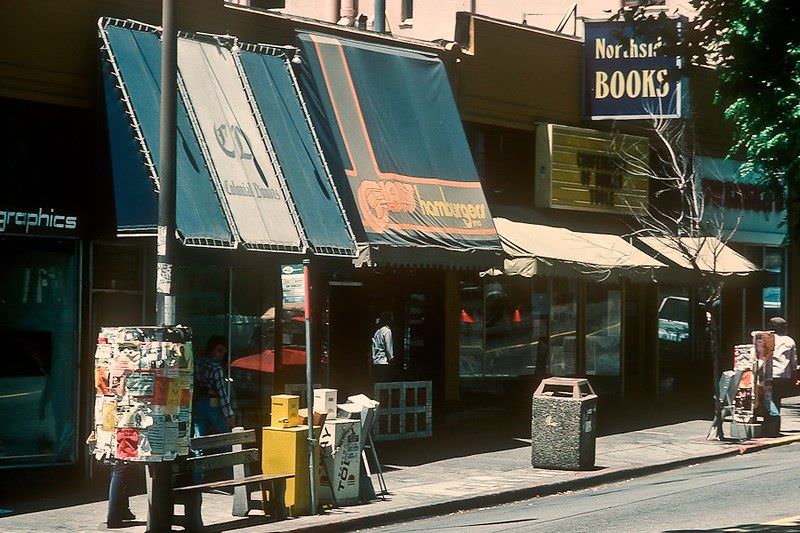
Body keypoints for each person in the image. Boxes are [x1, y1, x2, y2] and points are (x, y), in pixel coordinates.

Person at [86, 431, 138, 529]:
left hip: (109, 440)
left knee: (122, 472)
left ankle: (123, 510)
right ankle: (114, 517)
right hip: (119, 441)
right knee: (120, 471)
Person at [193, 335, 235, 437]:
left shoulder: (198, 362)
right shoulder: (216, 367)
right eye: (219, 350)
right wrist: (229, 415)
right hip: (213, 404)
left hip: (199, 402)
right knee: (224, 436)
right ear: (212, 350)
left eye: (223, 352)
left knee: (199, 436)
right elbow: (222, 392)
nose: (222, 354)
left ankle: (198, 453)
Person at [769, 316, 797, 421]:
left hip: (768, 374)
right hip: (783, 375)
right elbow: (793, 361)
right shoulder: (789, 341)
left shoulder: (766, 338)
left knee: (768, 398)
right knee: (776, 398)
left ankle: (773, 418)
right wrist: (795, 376)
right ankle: (774, 424)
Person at [371, 312, 394, 383]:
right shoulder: (387, 331)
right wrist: (391, 359)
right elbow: (388, 347)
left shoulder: (378, 331)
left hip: (376, 362)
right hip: (383, 362)